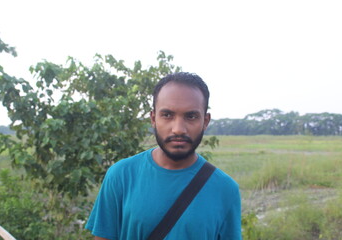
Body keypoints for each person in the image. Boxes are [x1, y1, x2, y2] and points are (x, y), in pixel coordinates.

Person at [85, 72, 242, 240]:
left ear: (205, 121)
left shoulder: (225, 189)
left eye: (191, 116)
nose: (178, 129)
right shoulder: (121, 175)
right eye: (167, 115)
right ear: (153, 118)